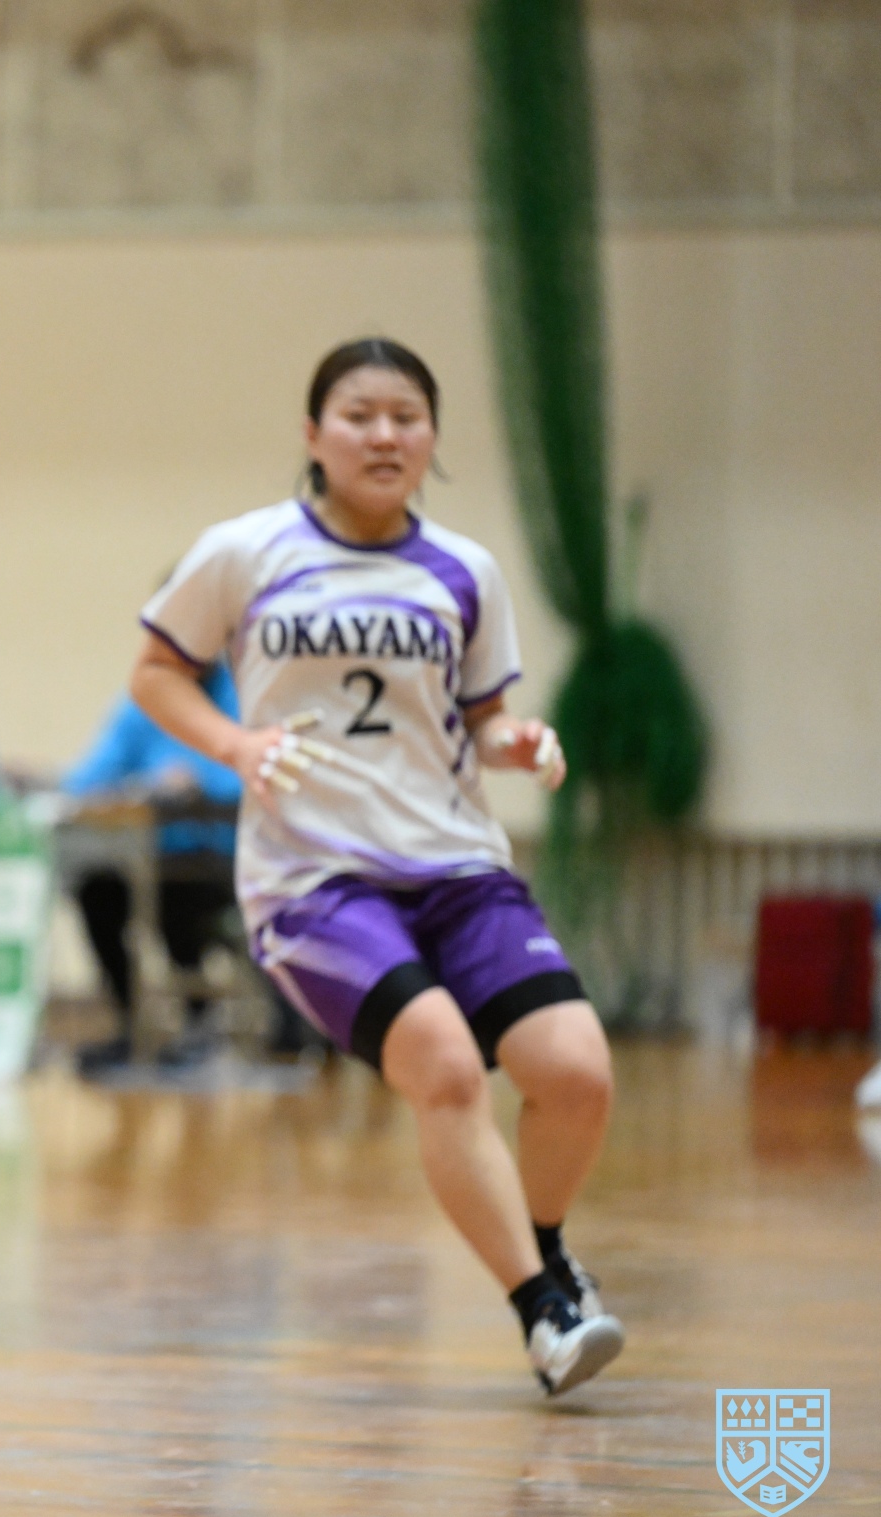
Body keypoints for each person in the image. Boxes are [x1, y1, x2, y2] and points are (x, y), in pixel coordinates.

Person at [128, 338, 624, 1398]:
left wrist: (514, 742)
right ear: (314, 434)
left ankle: (544, 1247)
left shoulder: (465, 570)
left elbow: (480, 718)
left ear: (433, 437)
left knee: (577, 1073)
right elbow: (157, 673)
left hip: (456, 865)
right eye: (360, 415)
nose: (386, 434)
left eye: (408, 416)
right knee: (445, 1065)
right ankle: (542, 1312)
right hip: (313, 880)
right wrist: (236, 745)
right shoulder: (245, 551)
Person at [61, 660, 245, 1068]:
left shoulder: (240, 695)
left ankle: (200, 1022)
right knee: (97, 892)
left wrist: (201, 781)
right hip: (146, 859)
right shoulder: (143, 698)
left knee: (178, 895)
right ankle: (133, 1024)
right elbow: (87, 778)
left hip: (218, 860)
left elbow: (253, 774)